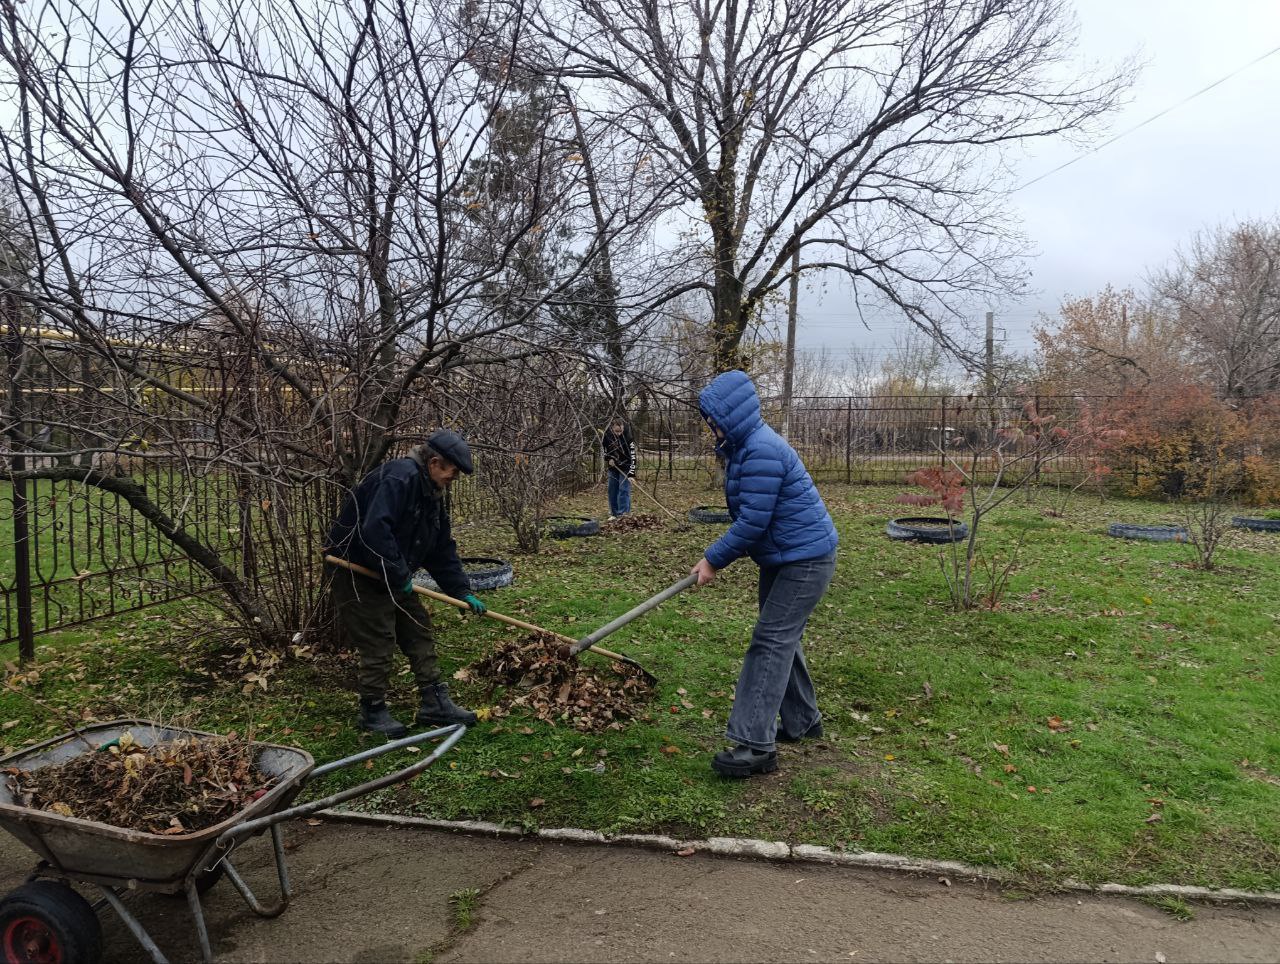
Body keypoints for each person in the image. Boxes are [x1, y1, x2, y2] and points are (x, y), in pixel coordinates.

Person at [689, 370, 839, 778]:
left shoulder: (760, 450)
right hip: (786, 556)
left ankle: (755, 744)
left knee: (770, 641)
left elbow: (753, 521)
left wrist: (713, 560)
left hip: (806, 560)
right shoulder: (744, 447)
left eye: (714, 417)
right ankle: (803, 720)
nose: (710, 424)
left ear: (733, 413)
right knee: (781, 637)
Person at [325, 429, 485, 737]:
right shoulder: (398, 479)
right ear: (434, 463)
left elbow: (440, 547)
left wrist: (461, 590)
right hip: (355, 569)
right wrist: (399, 574)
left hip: (389, 569)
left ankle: (434, 702)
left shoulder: (431, 493)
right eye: (452, 472)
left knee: (417, 628)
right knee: (379, 638)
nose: (452, 479)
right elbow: (374, 531)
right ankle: (372, 710)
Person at [602, 416, 636, 520]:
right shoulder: (607, 436)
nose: (618, 433)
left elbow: (633, 456)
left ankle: (623, 515)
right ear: (612, 428)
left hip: (626, 466)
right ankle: (614, 513)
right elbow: (604, 451)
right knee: (612, 490)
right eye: (616, 431)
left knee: (623, 490)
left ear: (623, 427)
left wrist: (631, 474)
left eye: (620, 431)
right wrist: (609, 458)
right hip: (613, 467)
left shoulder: (628, 437)